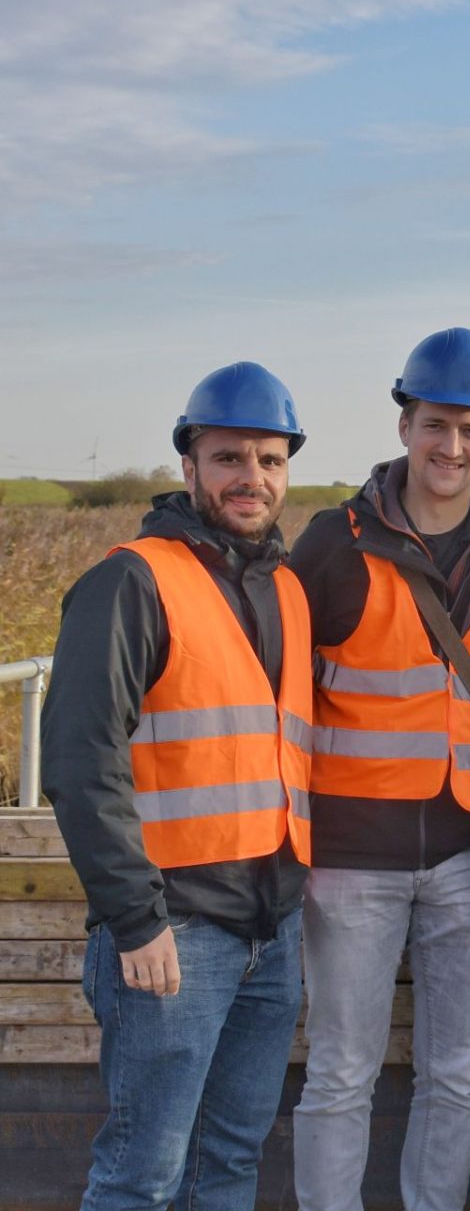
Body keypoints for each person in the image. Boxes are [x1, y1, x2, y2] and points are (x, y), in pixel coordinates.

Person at [290, 327, 470, 1210]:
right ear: (405, 423)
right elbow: (278, 703)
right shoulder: (333, 542)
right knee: (341, 1071)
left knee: (457, 1077)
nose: (452, 447)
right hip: (350, 860)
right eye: (436, 424)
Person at [42, 363, 313, 1210]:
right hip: (172, 936)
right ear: (189, 466)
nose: (251, 478)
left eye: (270, 460)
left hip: (273, 932)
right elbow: (80, 761)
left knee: (229, 1162)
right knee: (141, 1176)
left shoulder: (287, 588)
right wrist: (134, 921)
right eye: (229, 457)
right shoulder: (133, 580)